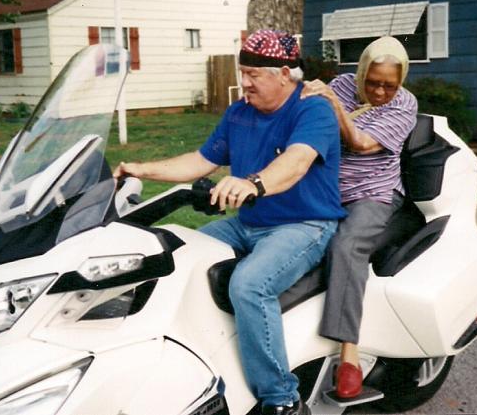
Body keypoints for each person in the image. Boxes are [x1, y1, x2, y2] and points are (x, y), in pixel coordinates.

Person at [114, 29, 346, 415]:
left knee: (250, 285)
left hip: (305, 225)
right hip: (249, 222)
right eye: (243, 72)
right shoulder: (239, 113)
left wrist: (254, 183)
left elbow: (296, 162)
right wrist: (140, 168)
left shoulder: (312, 109)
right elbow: (202, 161)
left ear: (285, 74)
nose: (245, 82)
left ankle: (282, 398)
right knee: (174, 256)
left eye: (254, 74)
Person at [301, 35, 418, 399]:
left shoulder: (404, 104)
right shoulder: (342, 86)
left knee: (348, 245)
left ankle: (348, 355)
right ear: (362, 72)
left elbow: (361, 143)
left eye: (389, 85)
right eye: (373, 82)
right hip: (327, 188)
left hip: (374, 193)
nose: (380, 91)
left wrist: (332, 104)